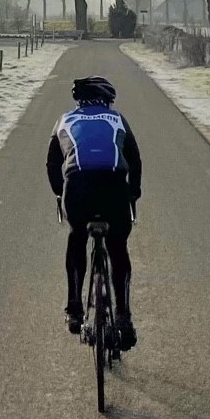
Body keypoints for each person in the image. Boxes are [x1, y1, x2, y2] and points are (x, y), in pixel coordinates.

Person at [47, 75, 144, 349]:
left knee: (77, 237)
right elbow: (135, 159)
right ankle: (123, 316)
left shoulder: (64, 120)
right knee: (117, 246)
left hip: (77, 188)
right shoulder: (117, 119)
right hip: (114, 187)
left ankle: (75, 309)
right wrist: (133, 193)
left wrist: (59, 191)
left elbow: (52, 161)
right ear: (106, 100)